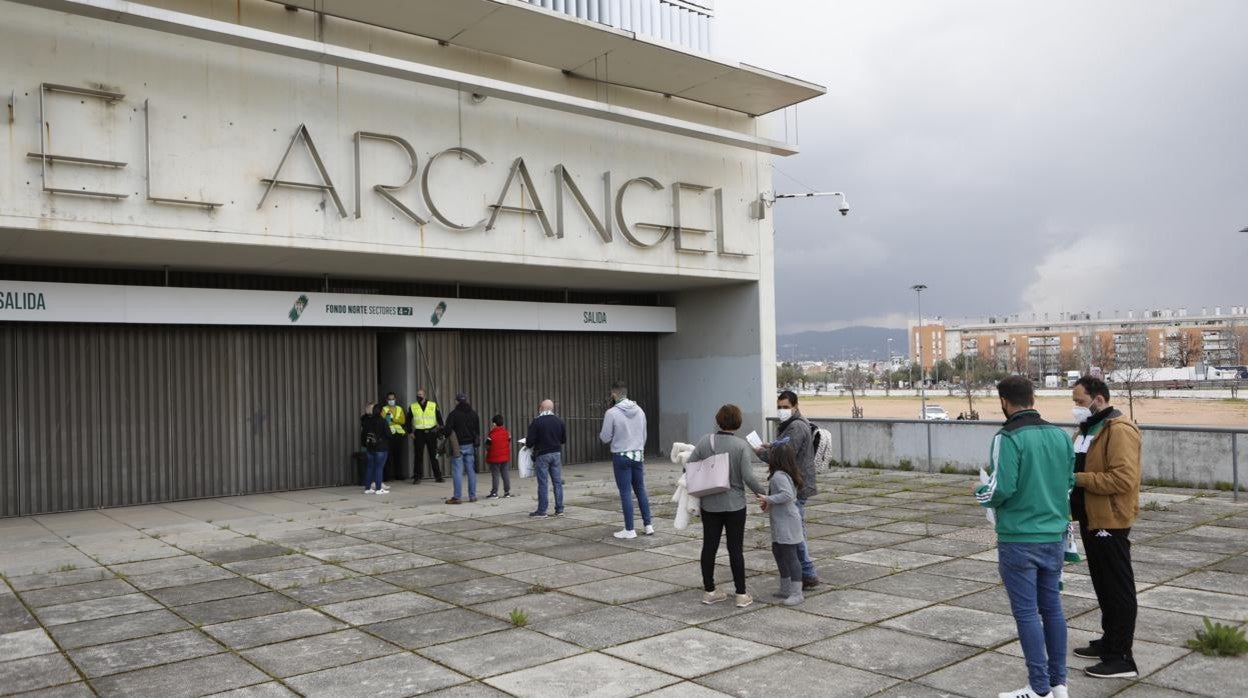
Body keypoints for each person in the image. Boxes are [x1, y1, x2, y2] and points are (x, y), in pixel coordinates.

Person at [975, 376, 1074, 698]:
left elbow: (1001, 488)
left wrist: (979, 492)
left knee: (1027, 613)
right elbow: (1069, 483)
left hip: (1019, 537)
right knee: (1053, 610)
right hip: (1055, 534)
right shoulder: (1061, 436)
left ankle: (1038, 687)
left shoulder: (1007, 437)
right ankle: (1059, 684)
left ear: (1004, 401)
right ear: (1032, 397)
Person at [1070, 375, 1142, 679]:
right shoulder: (1089, 429)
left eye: (1079, 402)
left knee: (1118, 587)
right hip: (1091, 516)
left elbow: (1123, 479)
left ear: (1098, 399)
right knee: (1103, 584)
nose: (1076, 408)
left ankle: (1122, 657)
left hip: (1111, 519)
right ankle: (1109, 641)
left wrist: (1078, 479)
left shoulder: (1120, 430)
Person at [689, 404, 766, 609]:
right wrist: (764, 494)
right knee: (735, 549)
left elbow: (689, 465)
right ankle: (741, 594)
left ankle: (710, 591)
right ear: (738, 422)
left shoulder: (706, 441)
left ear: (718, 420)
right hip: (735, 505)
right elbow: (748, 477)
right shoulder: (740, 446)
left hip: (710, 504)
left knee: (709, 547)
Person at [755, 390, 821, 589]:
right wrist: (771, 445)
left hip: (796, 487)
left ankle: (808, 573)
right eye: (780, 407)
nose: (782, 410)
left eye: (785, 407)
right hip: (796, 484)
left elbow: (784, 456)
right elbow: (783, 446)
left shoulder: (797, 427)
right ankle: (805, 573)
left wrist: (761, 452)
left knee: (795, 534)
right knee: (796, 531)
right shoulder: (791, 425)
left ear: (795, 407)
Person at [599, 381, 652, 539]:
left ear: (614, 394)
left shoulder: (611, 413)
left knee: (625, 492)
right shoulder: (640, 410)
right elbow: (644, 434)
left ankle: (629, 529)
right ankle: (648, 525)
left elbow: (605, 437)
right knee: (640, 489)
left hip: (621, 456)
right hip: (638, 454)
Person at [758, 443, 804, 607]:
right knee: (778, 550)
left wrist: (767, 499)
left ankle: (797, 592)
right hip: (781, 521)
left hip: (787, 522)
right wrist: (769, 503)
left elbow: (787, 495)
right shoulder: (783, 474)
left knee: (791, 556)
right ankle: (785, 588)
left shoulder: (779, 476)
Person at [526, 399, 567, 518]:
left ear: (540, 408)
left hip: (542, 454)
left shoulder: (537, 422)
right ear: (552, 408)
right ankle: (559, 509)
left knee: (543, 483)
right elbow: (563, 440)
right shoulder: (559, 421)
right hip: (556, 454)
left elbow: (529, 442)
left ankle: (542, 511)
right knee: (557, 482)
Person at [444, 393, 480, 504]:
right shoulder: (473, 414)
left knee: (457, 472)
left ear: (457, 401)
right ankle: (472, 496)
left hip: (457, 446)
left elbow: (447, 430)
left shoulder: (453, 414)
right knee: (471, 471)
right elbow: (477, 431)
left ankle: (457, 497)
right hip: (470, 445)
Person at [408, 388, 444, 484]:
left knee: (433, 455)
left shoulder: (433, 405)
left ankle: (438, 476)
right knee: (418, 456)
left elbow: (440, 419)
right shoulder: (413, 406)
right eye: (418, 394)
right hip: (419, 433)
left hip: (431, 432)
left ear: (425, 395)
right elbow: (408, 420)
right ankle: (417, 477)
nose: (419, 396)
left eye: (421, 394)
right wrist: (410, 432)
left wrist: (440, 430)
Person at [359, 403, 391, 495]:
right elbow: (389, 435)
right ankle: (378, 489)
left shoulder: (366, 421)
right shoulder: (383, 421)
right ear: (380, 411)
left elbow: (363, 435)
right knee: (379, 468)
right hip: (381, 448)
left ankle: (368, 488)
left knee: (369, 467)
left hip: (370, 448)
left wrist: (364, 445)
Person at [484, 414, 513, 499]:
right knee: (505, 474)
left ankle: (494, 493)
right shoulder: (507, 433)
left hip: (494, 458)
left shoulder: (491, 434)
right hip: (505, 457)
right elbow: (508, 442)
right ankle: (507, 492)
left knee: (495, 475)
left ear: (494, 424)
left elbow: (487, 446)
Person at [380, 391, 406, 483]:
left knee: (398, 455)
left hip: (398, 434)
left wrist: (392, 419)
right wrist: (395, 420)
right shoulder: (384, 409)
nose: (391, 401)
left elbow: (403, 421)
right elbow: (384, 421)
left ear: (395, 399)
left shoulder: (399, 408)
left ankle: (399, 475)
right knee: (387, 456)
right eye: (389, 399)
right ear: (387, 400)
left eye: (393, 399)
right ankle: (387, 476)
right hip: (388, 434)